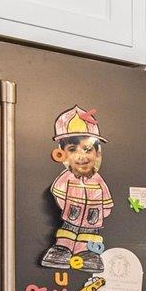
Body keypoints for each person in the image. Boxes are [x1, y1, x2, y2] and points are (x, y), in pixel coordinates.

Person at [42, 106, 112, 270]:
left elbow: (107, 203)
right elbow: (57, 193)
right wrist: (70, 208)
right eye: (73, 149)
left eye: (87, 149)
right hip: (72, 214)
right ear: (62, 154)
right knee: (68, 231)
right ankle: (62, 249)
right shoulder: (66, 178)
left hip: (92, 218)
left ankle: (87, 253)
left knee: (90, 235)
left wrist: (99, 213)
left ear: (97, 153)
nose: (81, 156)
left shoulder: (98, 180)